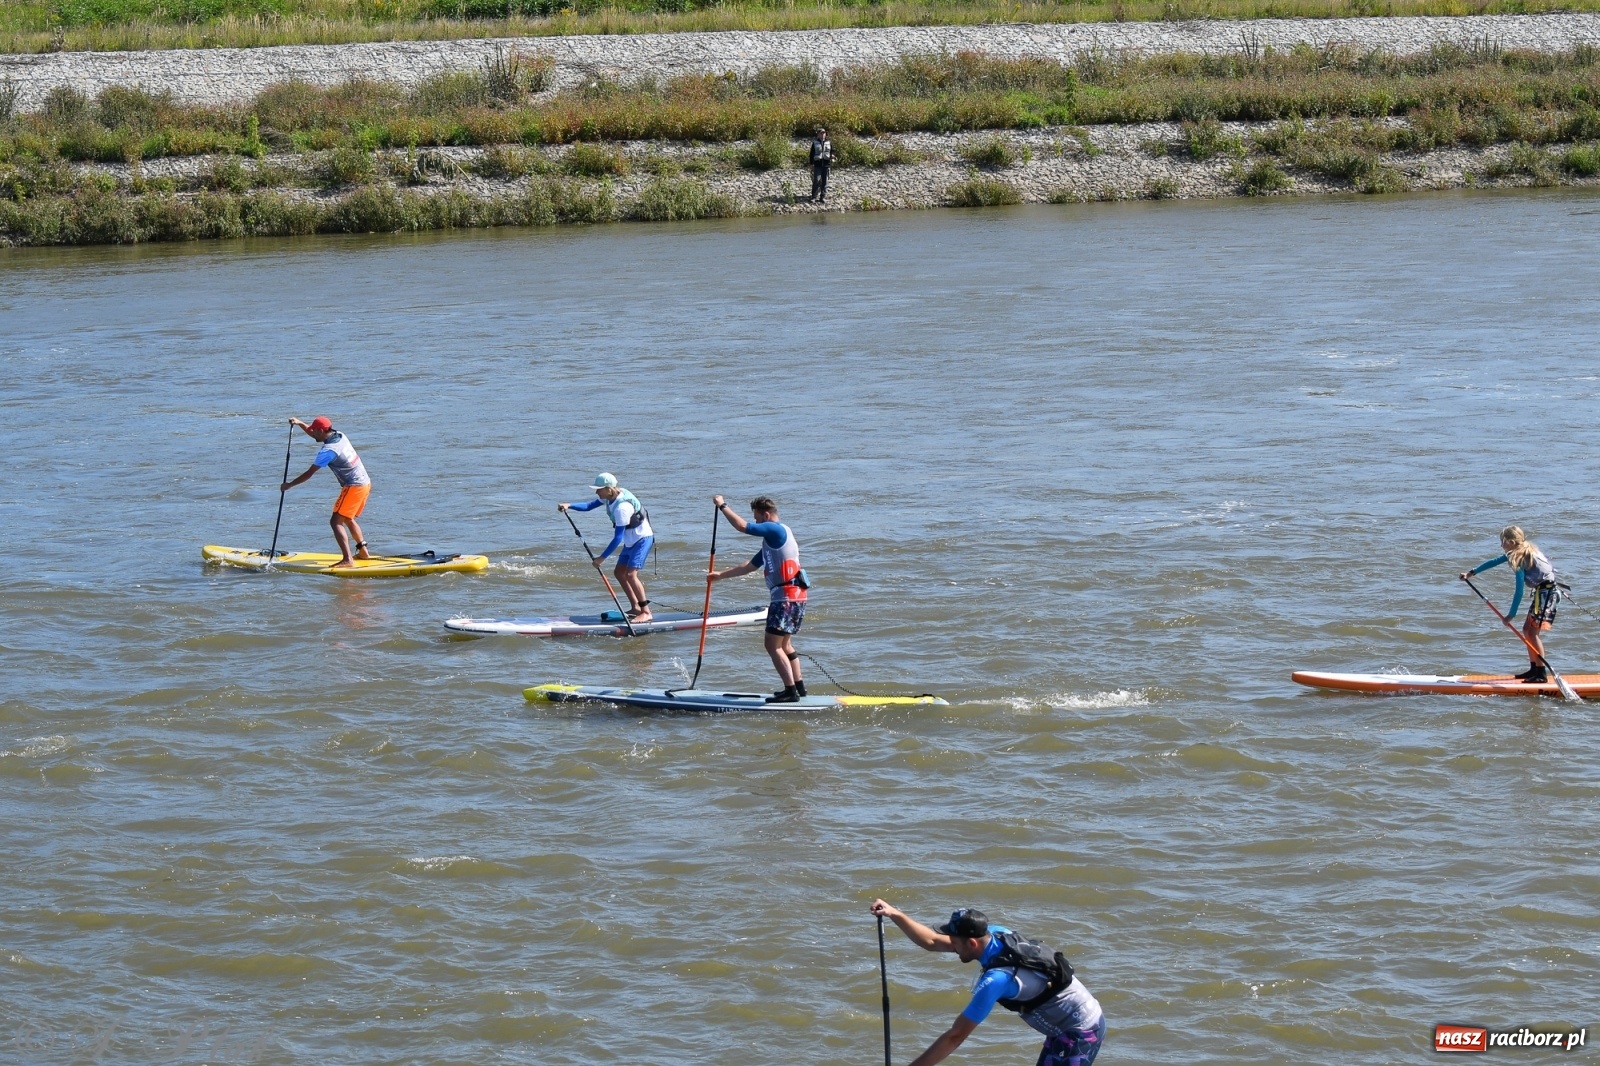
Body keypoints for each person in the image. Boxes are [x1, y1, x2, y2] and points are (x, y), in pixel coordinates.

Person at [869, 901, 1106, 1066]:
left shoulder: (997, 979)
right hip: (1062, 1024)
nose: (951, 946)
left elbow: (955, 1036)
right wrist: (894, 914)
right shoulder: (995, 933)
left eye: (955, 942)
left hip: (1081, 1029)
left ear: (972, 943)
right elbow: (931, 941)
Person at [707, 494, 807, 702]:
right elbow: (749, 566)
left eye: (758, 519)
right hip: (794, 597)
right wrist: (720, 575)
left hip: (786, 598)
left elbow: (742, 526)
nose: (758, 524)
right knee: (784, 645)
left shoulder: (775, 529)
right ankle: (799, 688)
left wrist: (722, 505)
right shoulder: (773, 541)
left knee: (772, 645)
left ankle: (790, 692)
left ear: (766, 515)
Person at [1461, 524, 1564, 683]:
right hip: (1543, 593)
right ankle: (1533, 669)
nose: (1501, 545)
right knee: (1526, 630)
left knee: (1533, 633)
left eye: (1503, 542)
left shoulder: (1520, 558)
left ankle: (1541, 674)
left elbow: (1519, 591)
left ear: (1511, 542)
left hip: (1547, 594)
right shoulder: (1521, 550)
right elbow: (1494, 562)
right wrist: (1471, 573)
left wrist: (1511, 615)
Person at [560, 473, 655, 622]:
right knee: (619, 573)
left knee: (631, 575)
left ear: (608, 489)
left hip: (642, 539)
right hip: (631, 539)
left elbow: (617, 538)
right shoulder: (610, 497)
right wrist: (569, 505)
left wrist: (601, 558)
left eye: (599, 489)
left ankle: (646, 612)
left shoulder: (622, 508)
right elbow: (589, 506)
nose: (596, 492)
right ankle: (636, 608)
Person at [281, 416, 372, 568]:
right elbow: (314, 433)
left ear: (321, 431)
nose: (312, 433)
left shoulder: (328, 451)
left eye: (314, 430)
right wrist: (300, 423)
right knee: (347, 518)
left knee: (335, 522)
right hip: (365, 482)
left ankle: (347, 559)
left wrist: (289, 485)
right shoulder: (340, 435)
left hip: (354, 486)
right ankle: (363, 552)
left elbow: (309, 473)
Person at [809, 127, 833, 203]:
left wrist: (833, 155)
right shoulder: (815, 143)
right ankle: (814, 197)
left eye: (824, 133)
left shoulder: (829, 142)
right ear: (818, 135)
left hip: (826, 164)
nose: (823, 135)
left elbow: (832, 151)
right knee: (816, 180)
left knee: (825, 181)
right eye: (821, 133)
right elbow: (811, 154)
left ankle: (823, 197)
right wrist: (811, 164)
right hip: (817, 165)